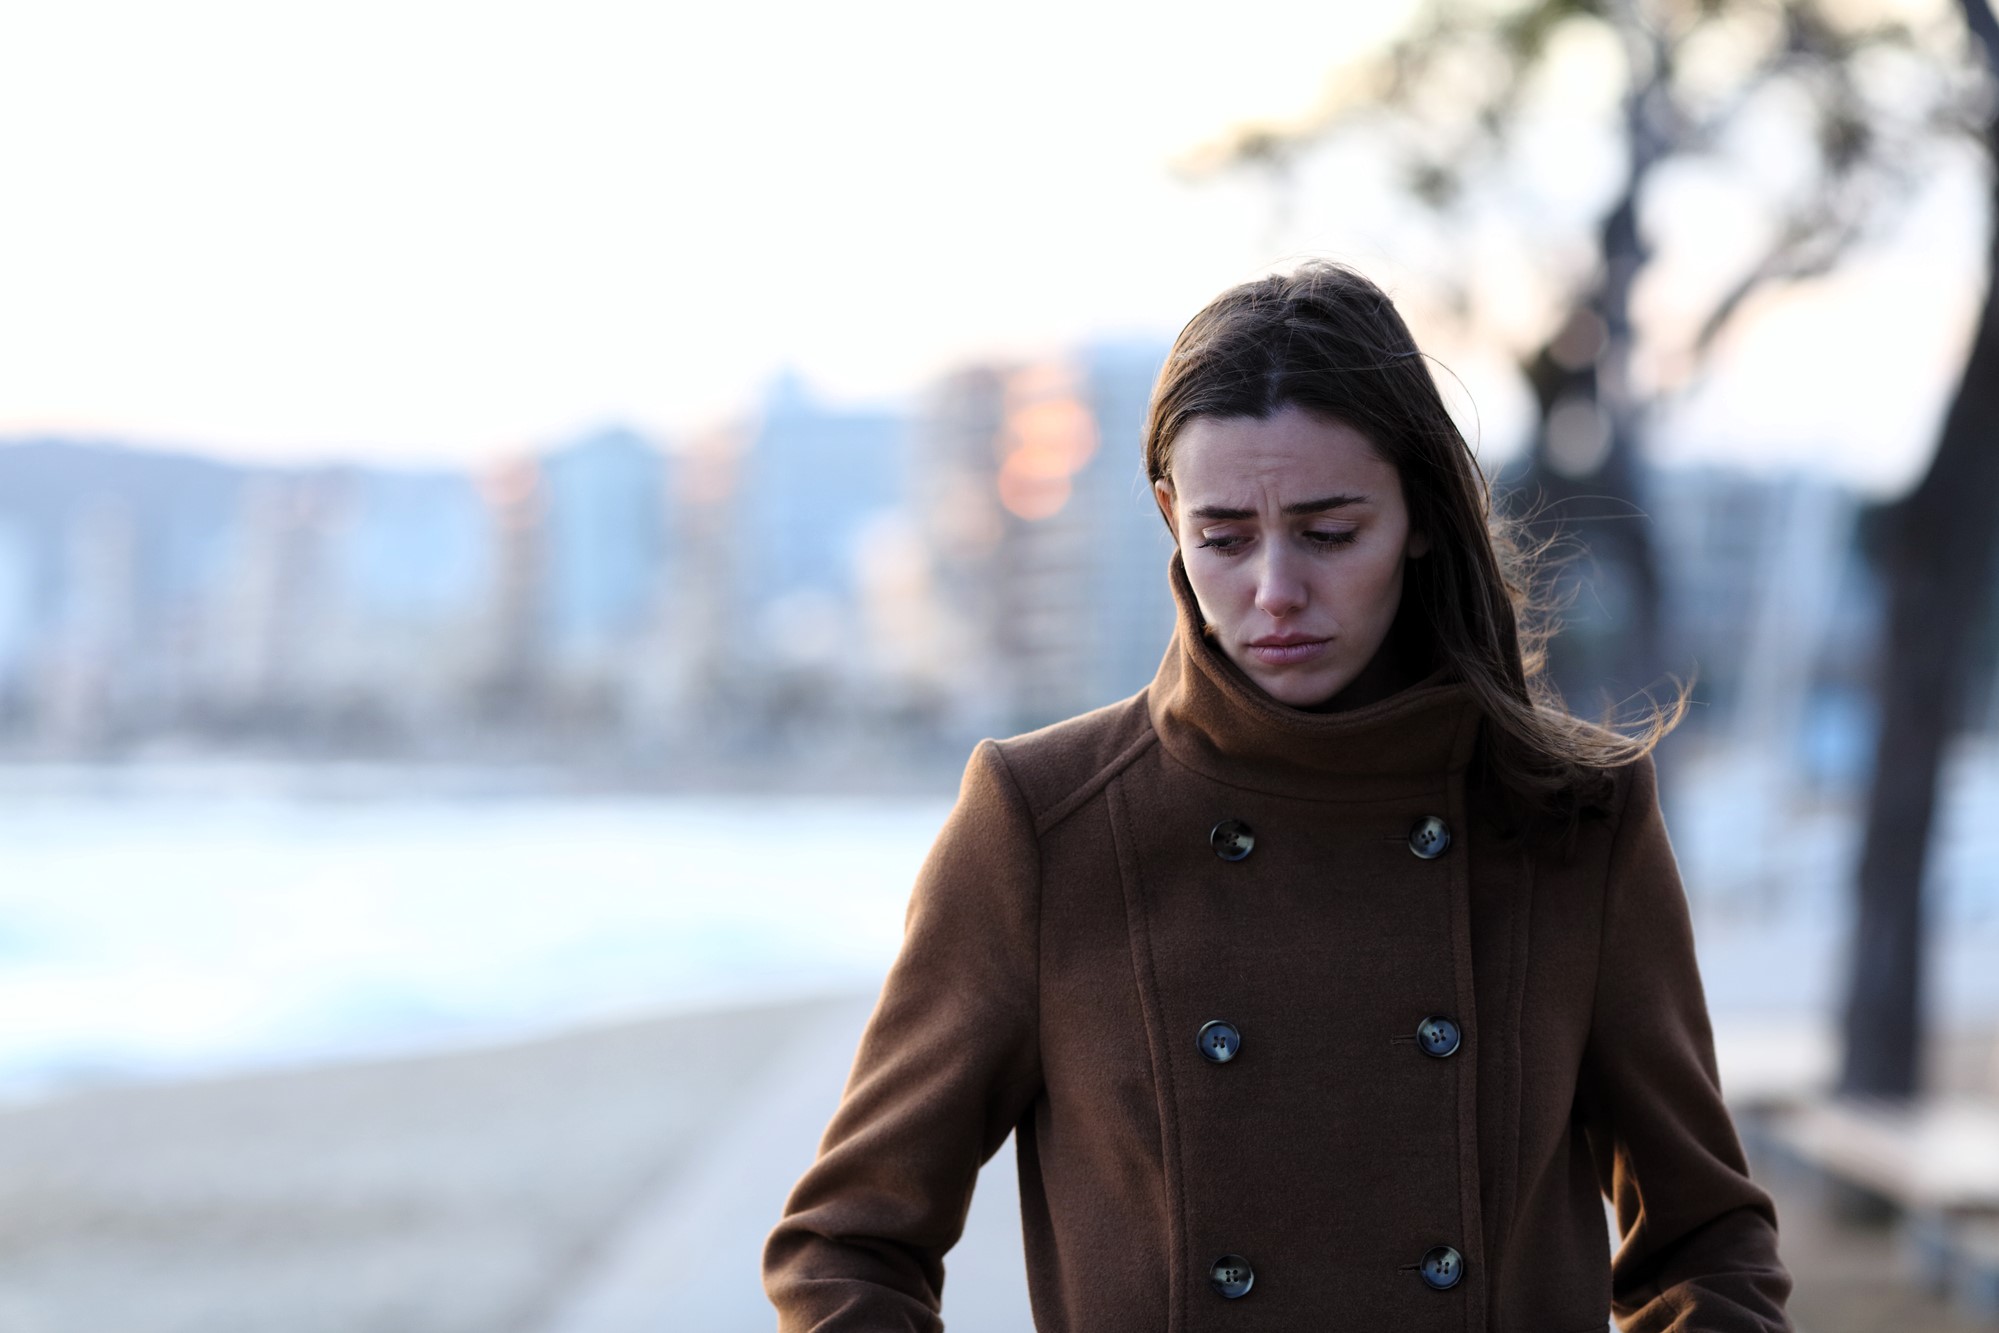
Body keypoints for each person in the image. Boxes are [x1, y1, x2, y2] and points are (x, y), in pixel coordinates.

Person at [763, 262, 1792, 1330]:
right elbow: (845, 1246)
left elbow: (1707, 1243)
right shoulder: (1047, 822)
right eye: (1224, 536)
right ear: (1169, 516)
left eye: (1328, 531)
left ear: (1423, 515)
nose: (1274, 591)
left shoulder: (1573, 818)